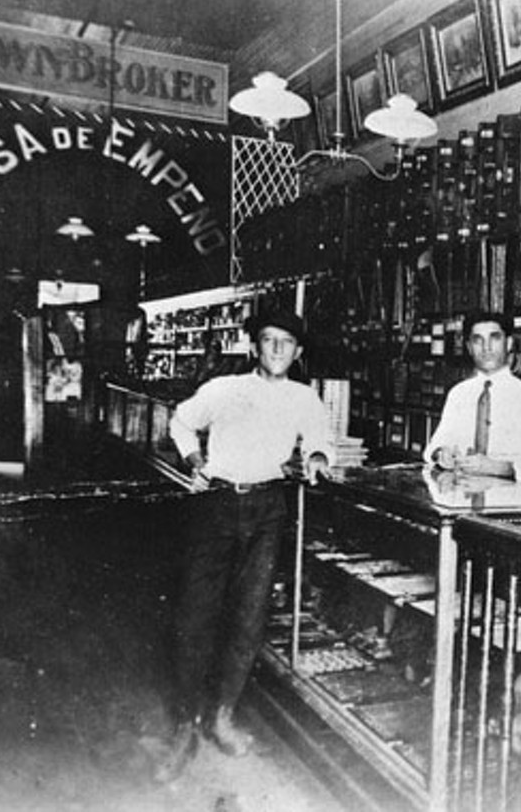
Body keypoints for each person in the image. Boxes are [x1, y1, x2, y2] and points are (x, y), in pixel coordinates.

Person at [156, 307, 333, 782]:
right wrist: (195, 461)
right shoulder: (224, 389)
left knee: (249, 618)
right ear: (254, 345)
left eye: (287, 343)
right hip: (216, 505)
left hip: (268, 509)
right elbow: (181, 421)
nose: (277, 350)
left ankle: (222, 717)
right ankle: (186, 725)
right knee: (196, 614)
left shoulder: (304, 397)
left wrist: (316, 456)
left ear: (298, 353)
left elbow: (320, 438)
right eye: (269, 340)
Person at [424, 310, 521, 483]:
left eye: (495, 338)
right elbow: (433, 446)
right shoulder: (458, 394)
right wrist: (441, 453)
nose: (486, 347)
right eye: (478, 340)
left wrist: (500, 468)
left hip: (508, 500)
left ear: (508, 344)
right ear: (469, 347)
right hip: (462, 497)